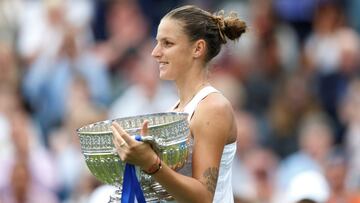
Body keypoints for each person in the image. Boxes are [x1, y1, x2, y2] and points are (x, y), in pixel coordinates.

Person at [111, 5, 246, 203]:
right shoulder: (174, 109)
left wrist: (150, 162)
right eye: (158, 43)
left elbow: (203, 197)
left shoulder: (212, 107)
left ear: (198, 48)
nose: (155, 53)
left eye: (167, 43)